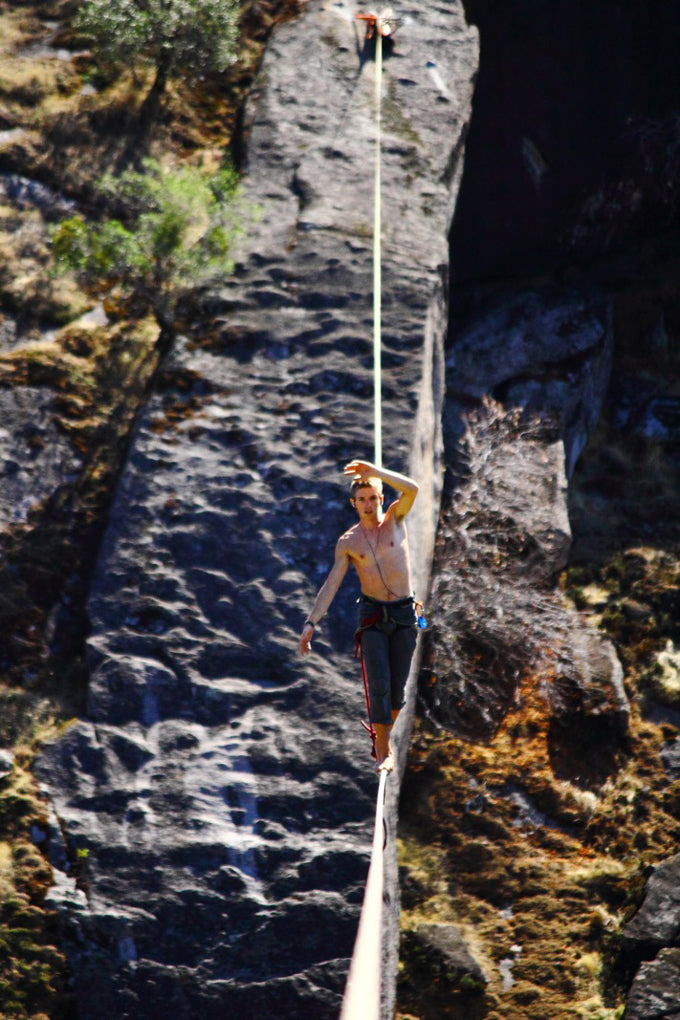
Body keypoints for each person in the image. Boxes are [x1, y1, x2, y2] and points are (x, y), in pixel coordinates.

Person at [299, 459, 420, 773]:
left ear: (381, 499)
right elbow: (331, 584)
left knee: (397, 691)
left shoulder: (396, 518)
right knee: (378, 683)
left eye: (373, 497)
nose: (368, 504)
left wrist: (377, 474)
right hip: (372, 616)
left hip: (405, 612)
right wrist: (311, 623)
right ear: (353, 504)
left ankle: (383, 737)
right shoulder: (348, 542)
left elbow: (413, 489)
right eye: (361, 499)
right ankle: (383, 751)